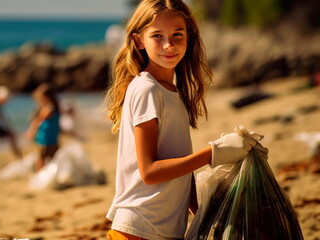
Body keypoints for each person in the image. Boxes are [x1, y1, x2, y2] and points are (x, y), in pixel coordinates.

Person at [103, 0, 258, 239]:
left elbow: (179, 169)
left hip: (162, 229)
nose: (169, 44)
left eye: (177, 34)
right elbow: (150, 172)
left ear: (189, 37)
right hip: (140, 227)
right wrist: (213, 153)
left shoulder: (171, 91)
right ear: (138, 41)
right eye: (157, 36)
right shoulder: (147, 89)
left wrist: (202, 214)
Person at [25, 83, 61, 172]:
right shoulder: (56, 107)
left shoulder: (47, 109)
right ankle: (47, 174)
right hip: (52, 137)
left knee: (42, 158)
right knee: (52, 158)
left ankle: (41, 174)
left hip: (45, 138)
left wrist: (31, 132)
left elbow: (37, 121)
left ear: (46, 97)